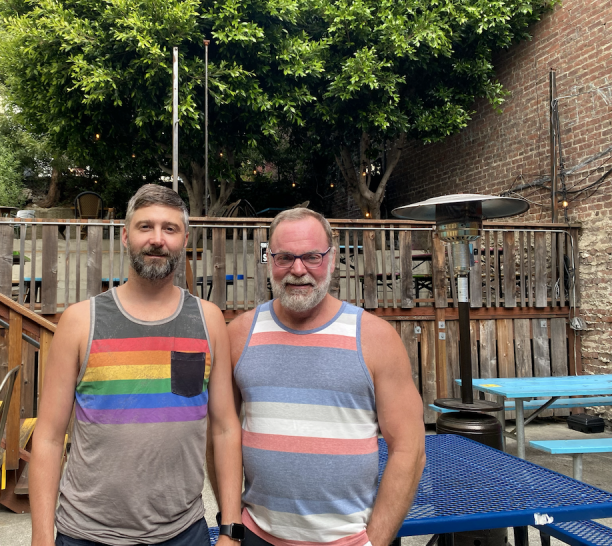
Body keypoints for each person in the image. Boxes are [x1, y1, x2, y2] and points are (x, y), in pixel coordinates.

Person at [31, 184, 243, 546]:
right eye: (146, 227)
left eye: (170, 229)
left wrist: (230, 530)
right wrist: (41, 537)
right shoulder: (81, 322)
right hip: (87, 533)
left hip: (183, 532)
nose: (157, 239)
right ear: (126, 235)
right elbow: (49, 437)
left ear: (185, 239)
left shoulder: (208, 321)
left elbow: (224, 428)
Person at [210, 208, 425, 546]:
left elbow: (409, 449)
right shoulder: (239, 335)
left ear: (333, 258)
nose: (298, 270)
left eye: (311, 256)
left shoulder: (375, 338)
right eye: (284, 257)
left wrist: (375, 542)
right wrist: (230, 528)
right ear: (269, 260)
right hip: (256, 536)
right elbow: (220, 432)